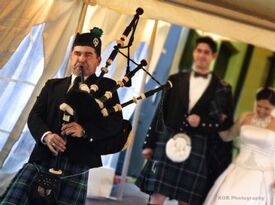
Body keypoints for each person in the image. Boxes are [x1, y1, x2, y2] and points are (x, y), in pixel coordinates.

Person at [0, 27, 123, 205]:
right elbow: (35, 116)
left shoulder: (107, 88)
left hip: (77, 162)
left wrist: (85, 130)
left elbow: (114, 124)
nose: (81, 59)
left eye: (88, 54)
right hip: (43, 157)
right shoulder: (53, 85)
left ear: (98, 60)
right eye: (77, 53)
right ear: (71, 56)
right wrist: (46, 136)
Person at [135, 36, 234, 205]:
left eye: (207, 52)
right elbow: (161, 112)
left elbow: (226, 122)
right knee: (157, 195)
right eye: (199, 51)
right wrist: (149, 143)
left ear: (213, 56)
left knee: (186, 199)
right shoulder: (175, 79)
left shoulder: (222, 87)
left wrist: (202, 122)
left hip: (198, 144)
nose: (202, 55)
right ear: (194, 52)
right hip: (169, 139)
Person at [204, 87, 275, 205]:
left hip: (262, 176)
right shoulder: (245, 117)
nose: (262, 110)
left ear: (273, 108)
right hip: (237, 170)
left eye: (266, 108)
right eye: (259, 106)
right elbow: (227, 136)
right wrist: (219, 122)